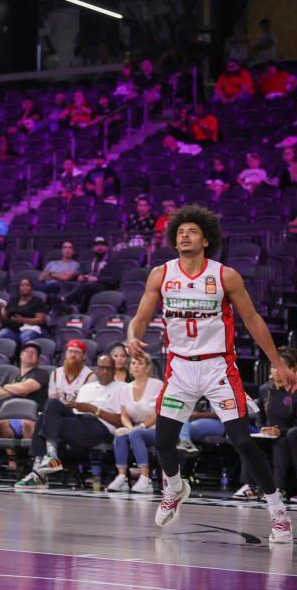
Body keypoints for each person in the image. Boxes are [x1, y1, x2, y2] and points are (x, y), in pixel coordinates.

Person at [127, 204, 296, 541]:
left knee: (242, 441)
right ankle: (175, 488)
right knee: (162, 443)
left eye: (191, 231)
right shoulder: (161, 274)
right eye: (179, 232)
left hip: (218, 366)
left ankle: (277, 510)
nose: (184, 235)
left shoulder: (224, 275)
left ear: (206, 240)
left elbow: (252, 320)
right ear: (174, 243)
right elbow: (141, 317)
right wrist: (132, 336)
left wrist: (277, 361)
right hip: (180, 370)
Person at [15, 354, 123, 489]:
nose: (105, 371)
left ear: (115, 370)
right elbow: (77, 414)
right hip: (80, 422)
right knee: (49, 408)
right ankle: (49, 457)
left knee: (46, 420)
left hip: (101, 428)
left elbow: (121, 421)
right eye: (102, 368)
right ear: (96, 369)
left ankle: (39, 472)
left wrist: (93, 409)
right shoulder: (87, 388)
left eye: (109, 368)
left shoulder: (122, 388)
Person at [238, 352, 297, 499]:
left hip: (287, 433)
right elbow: (260, 415)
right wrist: (262, 429)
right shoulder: (265, 389)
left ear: (292, 370)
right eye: (273, 367)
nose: (276, 370)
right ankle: (250, 487)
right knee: (248, 441)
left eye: (281, 367)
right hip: (269, 433)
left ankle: (278, 489)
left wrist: (280, 431)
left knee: (281, 443)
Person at [107, 356, 163, 493]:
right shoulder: (125, 388)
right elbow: (124, 415)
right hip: (136, 428)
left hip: (157, 429)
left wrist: (141, 427)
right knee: (120, 432)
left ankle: (145, 478)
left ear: (148, 367)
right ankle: (122, 477)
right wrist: (130, 429)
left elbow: (159, 413)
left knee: (136, 434)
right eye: (133, 363)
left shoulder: (157, 385)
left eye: (140, 363)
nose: (136, 366)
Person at [0, 342, 49, 439]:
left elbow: (24, 389)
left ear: (38, 358)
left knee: (27, 423)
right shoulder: (11, 373)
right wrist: (16, 389)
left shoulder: (41, 373)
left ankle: (31, 454)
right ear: (21, 355)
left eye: (34, 352)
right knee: (1, 423)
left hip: (31, 414)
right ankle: (10, 454)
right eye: (26, 351)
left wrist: (6, 387)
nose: (30, 353)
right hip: (9, 413)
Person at [0, 279, 47, 344]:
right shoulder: (13, 301)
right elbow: (5, 319)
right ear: (19, 288)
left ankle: (25, 354)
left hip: (31, 329)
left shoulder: (37, 301)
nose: (25, 287)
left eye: (27, 285)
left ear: (31, 288)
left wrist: (23, 319)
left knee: (25, 336)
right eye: (22, 285)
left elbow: (41, 320)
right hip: (13, 330)